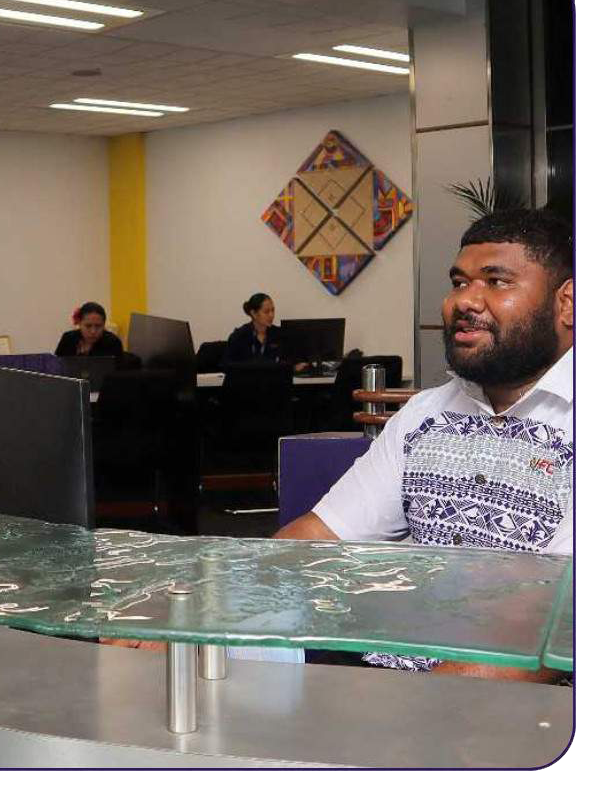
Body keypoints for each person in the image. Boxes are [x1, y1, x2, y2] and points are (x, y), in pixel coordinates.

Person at [277, 209, 573, 681]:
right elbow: (318, 538)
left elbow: (555, 627)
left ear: (567, 304)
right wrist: (208, 614)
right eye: (459, 283)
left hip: (513, 705)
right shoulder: (424, 414)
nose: (465, 301)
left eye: (496, 281)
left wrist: (408, 714)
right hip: (378, 673)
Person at [224, 293, 285, 364]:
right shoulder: (239, 336)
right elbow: (227, 364)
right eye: (266, 312)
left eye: (273, 310)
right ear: (254, 313)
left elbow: (287, 361)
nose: (271, 315)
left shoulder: (279, 334)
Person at [55, 301, 125, 358]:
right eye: (88, 326)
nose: (93, 331)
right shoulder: (68, 339)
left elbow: (120, 369)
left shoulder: (113, 342)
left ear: (104, 325)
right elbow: (55, 366)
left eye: (98, 326)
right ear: (79, 324)